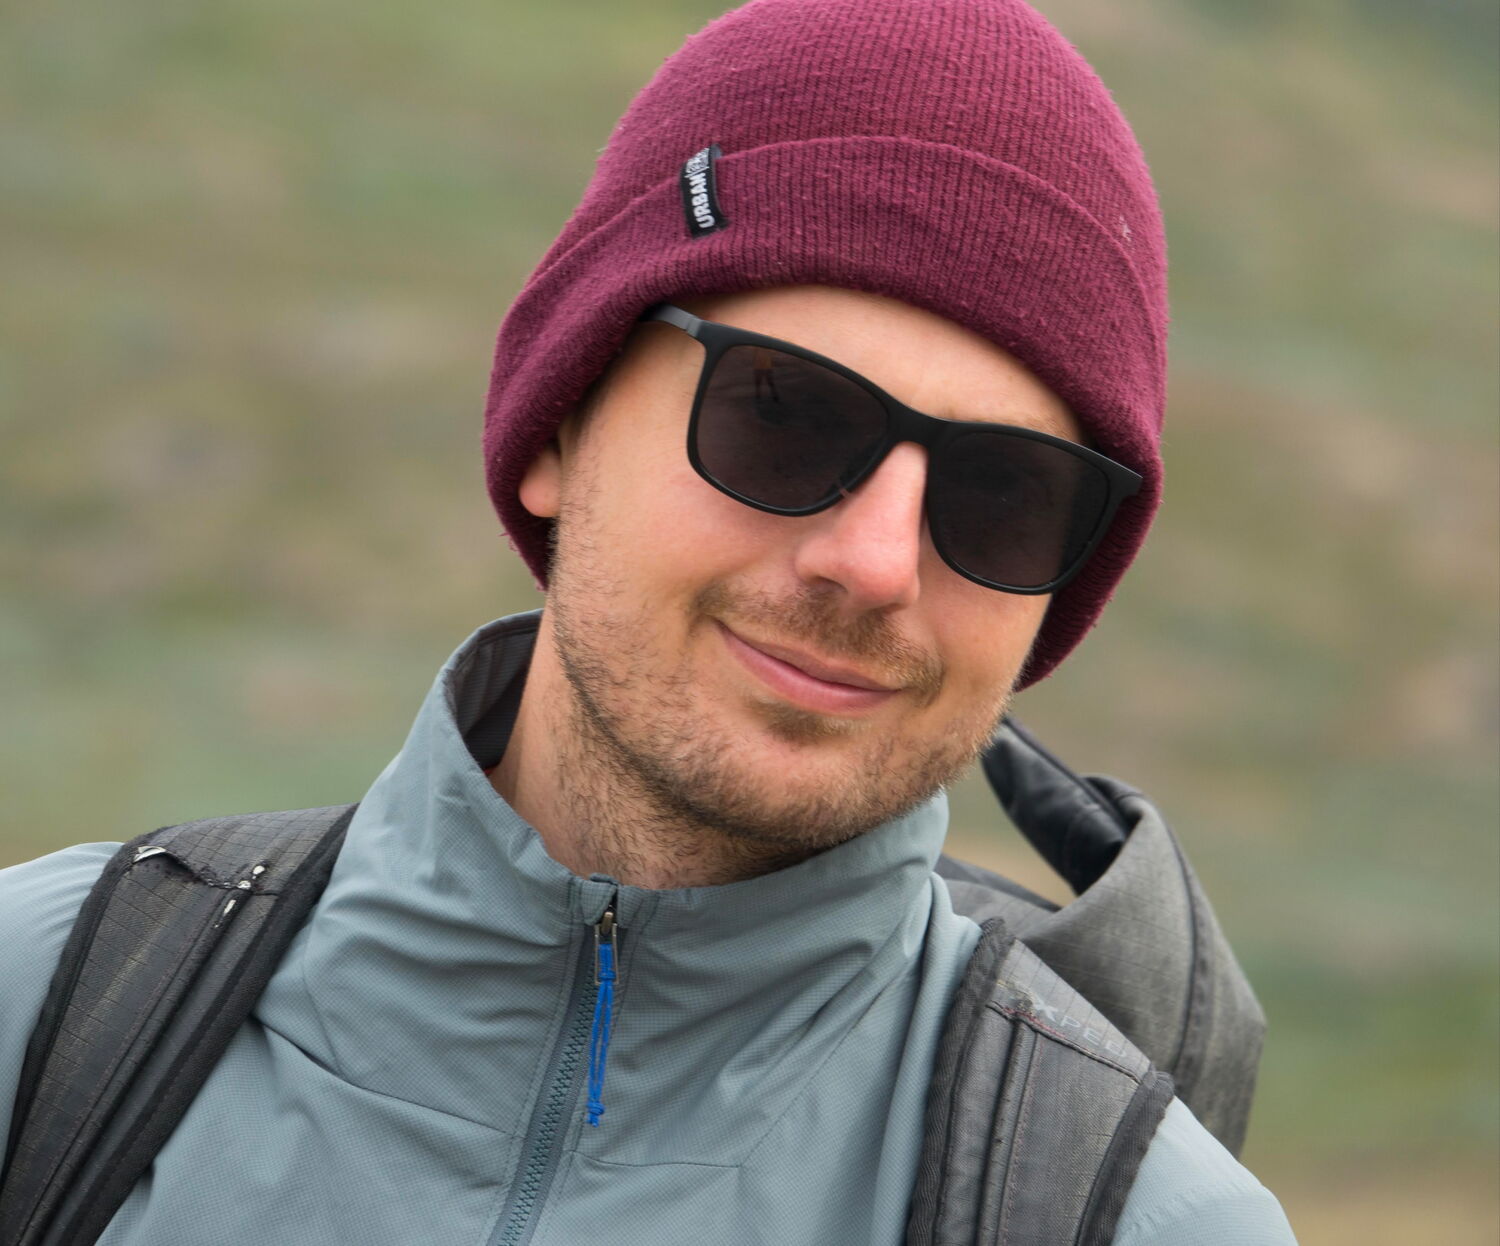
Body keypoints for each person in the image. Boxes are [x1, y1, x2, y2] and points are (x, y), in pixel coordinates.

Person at [0, 0, 1298, 1241]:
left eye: (1004, 494)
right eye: (783, 415)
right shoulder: (41, 1015)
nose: (873, 563)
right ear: (558, 426)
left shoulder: (1152, 1225)